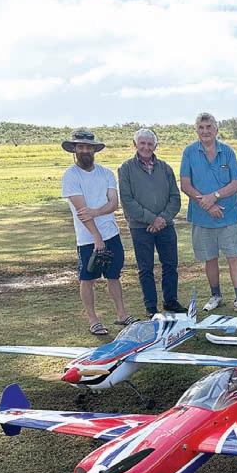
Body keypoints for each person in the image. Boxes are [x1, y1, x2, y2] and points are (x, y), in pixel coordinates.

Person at [60, 129, 136, 335]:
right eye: (81, 147)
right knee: (87, 278)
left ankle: (122, 314)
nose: (85, 151)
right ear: (75, 149)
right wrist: (96, 236)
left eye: (88, 147)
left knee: (114, 275)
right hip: (87, 238)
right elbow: (81, 211)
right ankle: (93, 320)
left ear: (94, 149)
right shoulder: (71, 176)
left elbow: (113, 203)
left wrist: (96, 212)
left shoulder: (106, 173)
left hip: (111, 233)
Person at [180, 112, 237, 315]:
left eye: (209, 127)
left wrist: (214, 196)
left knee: (233, 257)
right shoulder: (189, 152)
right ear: (197, 130)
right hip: (202, 216)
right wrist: (206, 204)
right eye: (201, 127)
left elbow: (236, 183)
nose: (205, 131)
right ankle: (216, 296)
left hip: (227, 216)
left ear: (216, 129)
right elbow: (185, 184)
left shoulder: (228, 152)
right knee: (210, 258)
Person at [118, 128, 186, 317]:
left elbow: (175, 197)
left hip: (166, 225)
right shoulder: (126, 169)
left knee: (170, 265)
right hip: (140, 227)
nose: (146, 147)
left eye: (150, 144)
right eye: (142, 143)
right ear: (135, 144)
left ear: (155, 146)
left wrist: (163, 219)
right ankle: (151, 307)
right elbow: (127, 200)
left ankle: (170, 301)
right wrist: (152, 219)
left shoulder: (165, 168)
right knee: (145, 268)